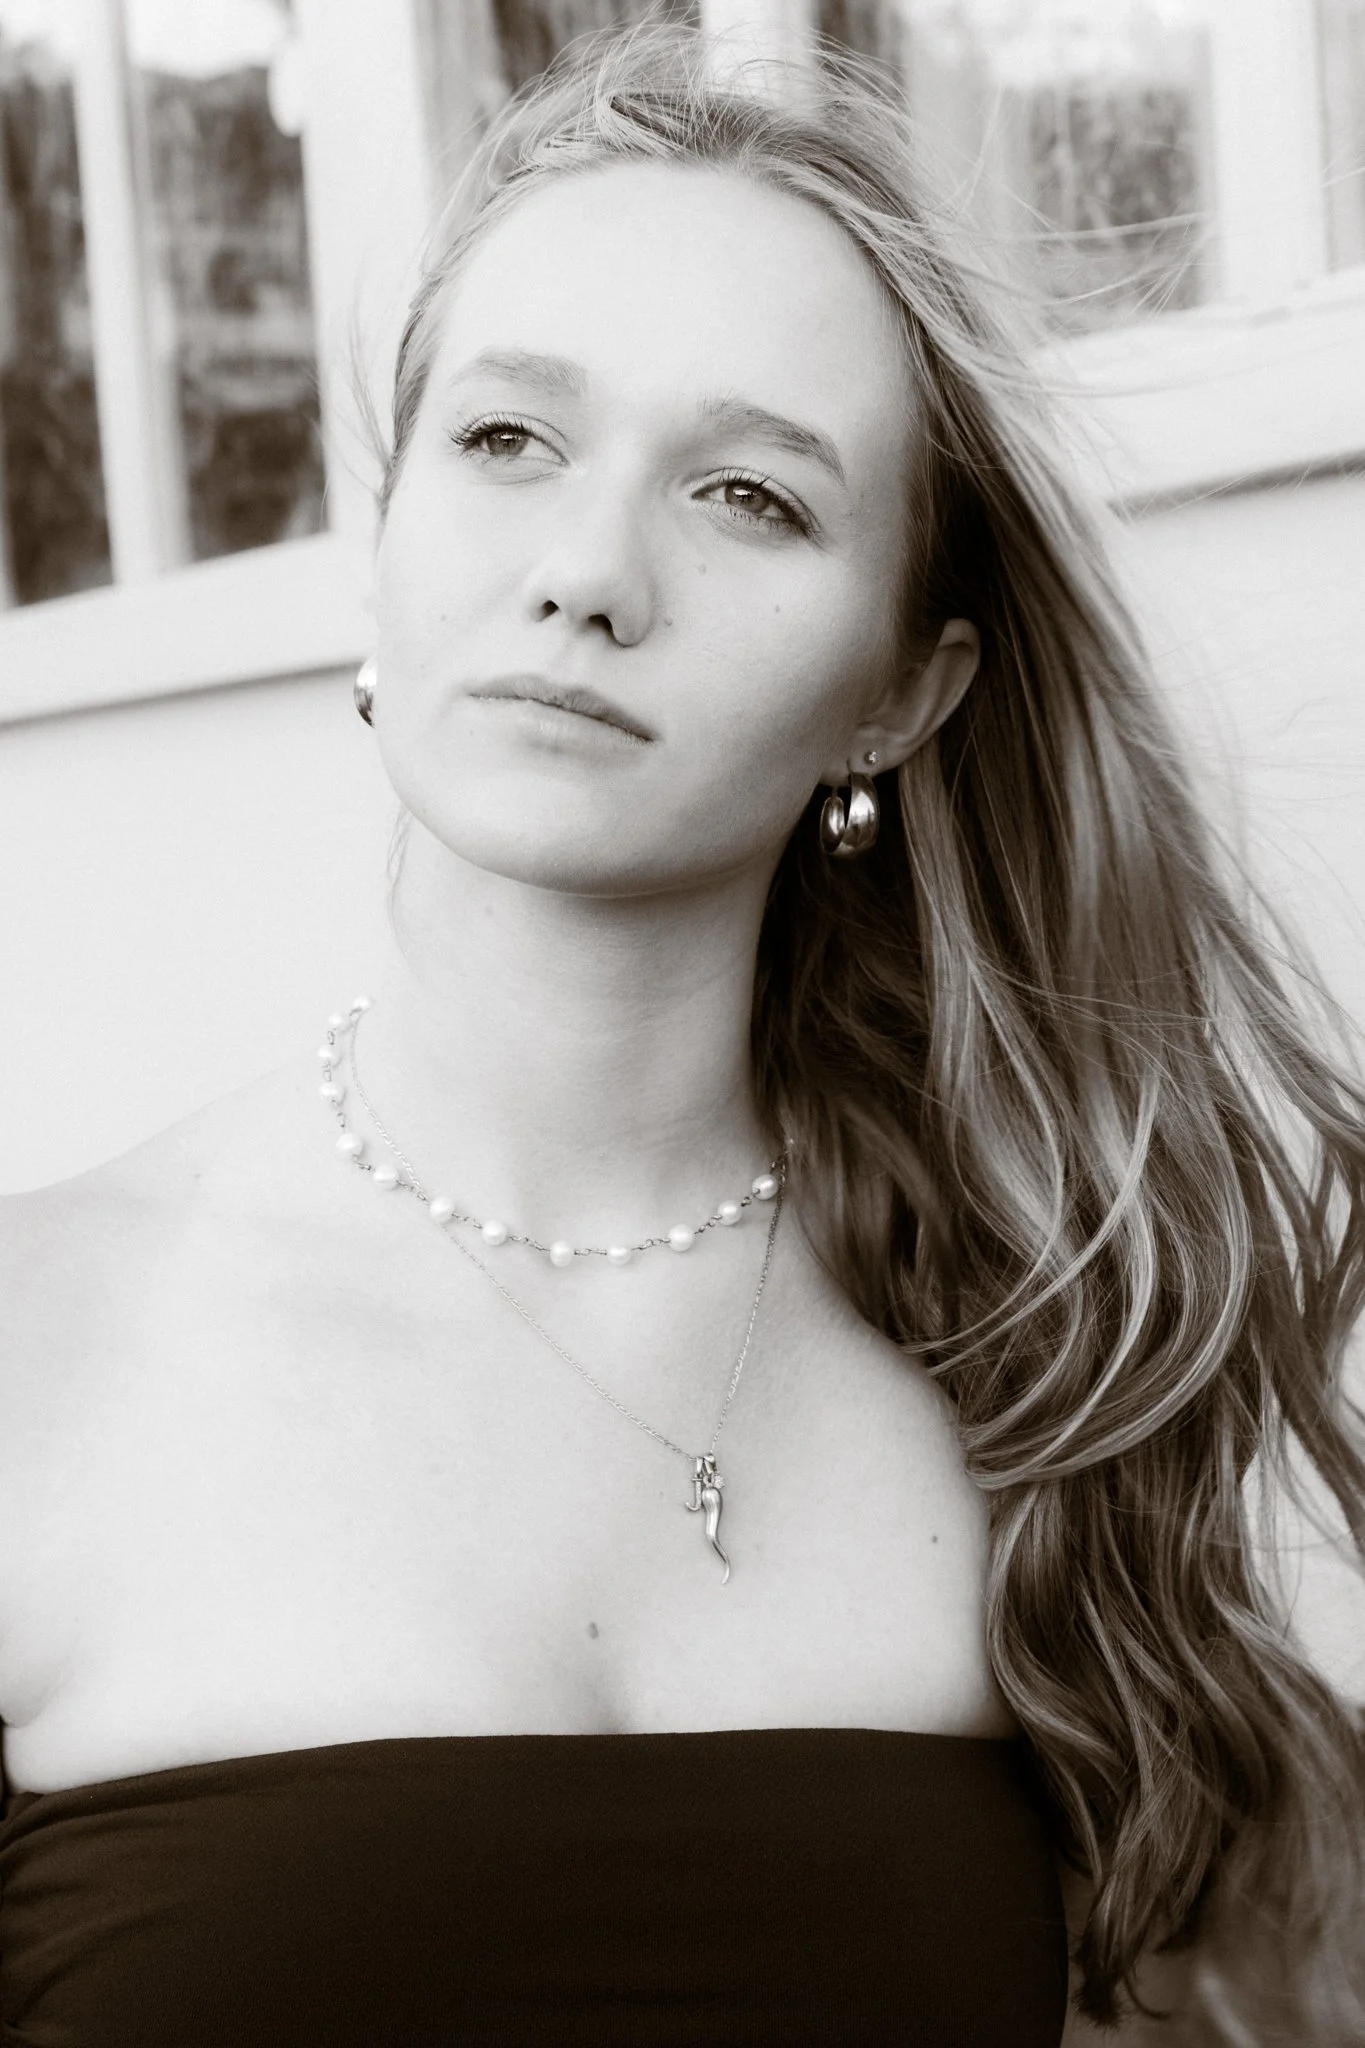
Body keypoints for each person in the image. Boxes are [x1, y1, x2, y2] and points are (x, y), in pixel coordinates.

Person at [2, 21, 1363, 2046]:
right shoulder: (38, 1344)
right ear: (382, 550)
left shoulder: (1047, 1360)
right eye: (505, 442)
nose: (584, 575)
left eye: (747, 493)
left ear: (903, 690)